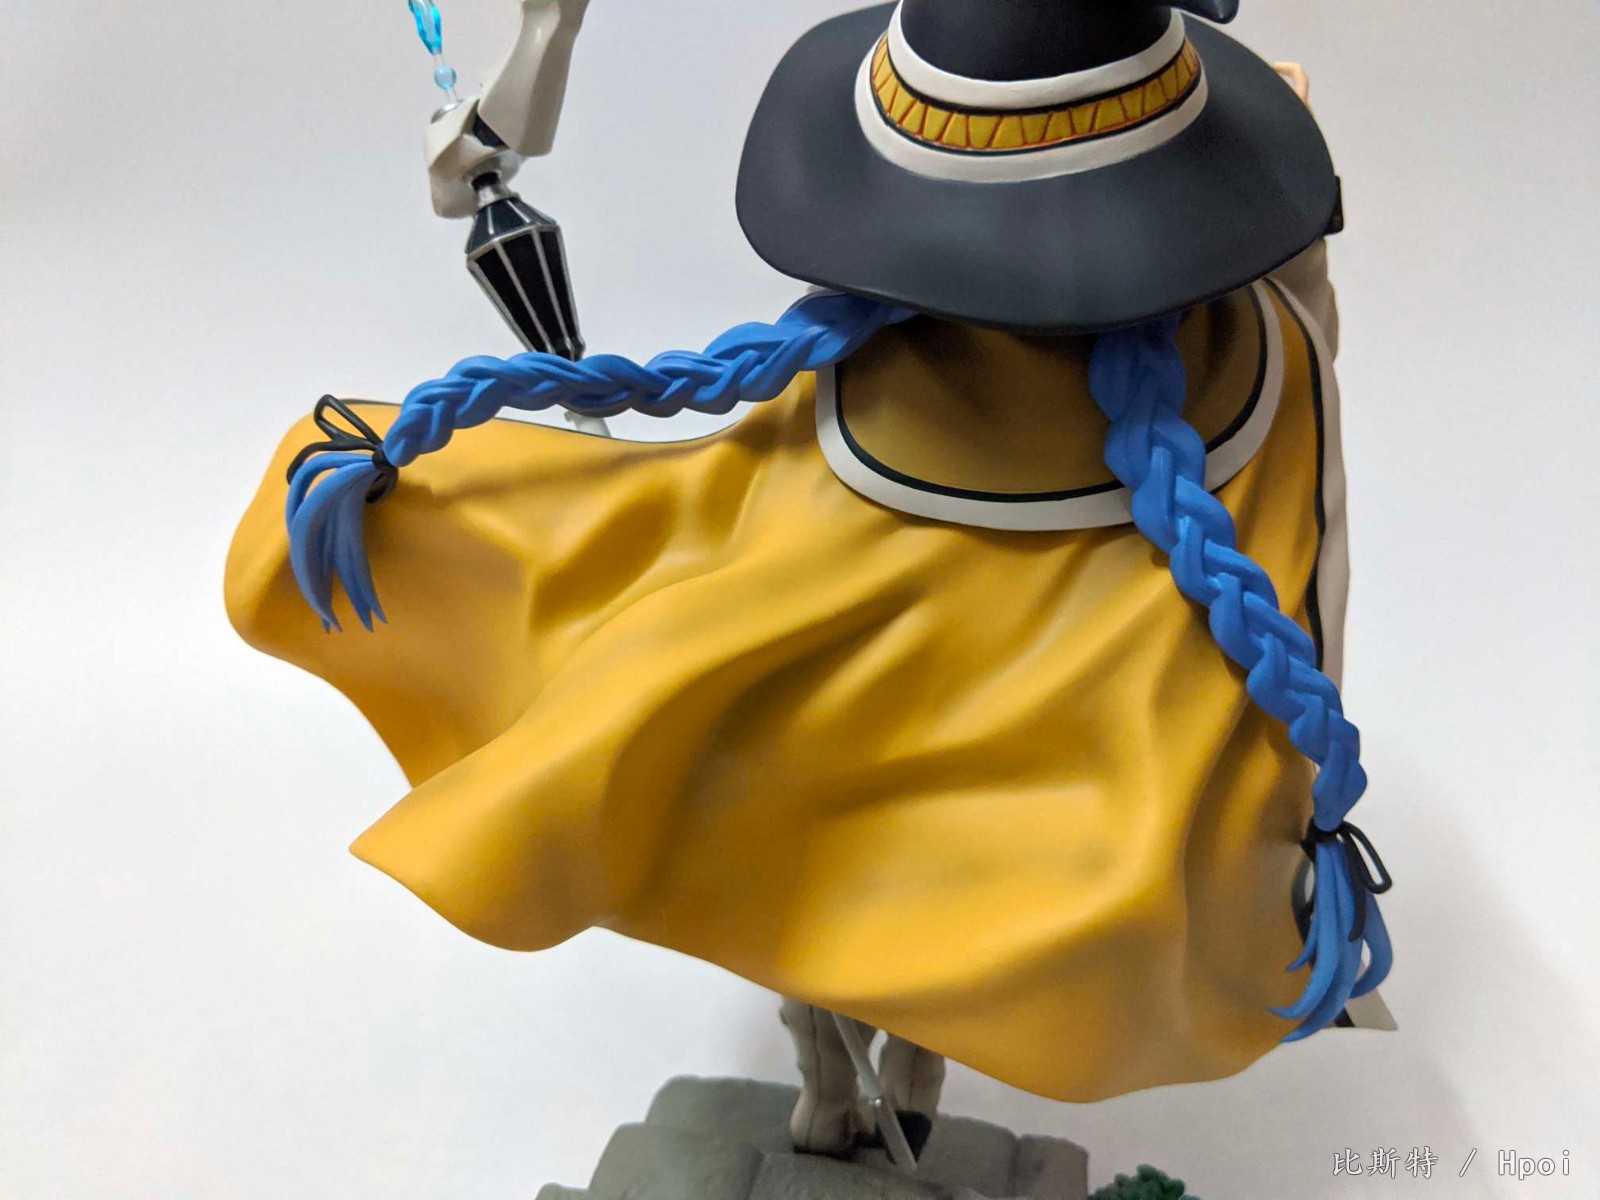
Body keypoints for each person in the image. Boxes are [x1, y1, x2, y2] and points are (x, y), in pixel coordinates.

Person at [226, 0, 1393, 1165]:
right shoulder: (1267, 376)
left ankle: (863, 1062)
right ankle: (871, 1066)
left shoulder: (1213, 393)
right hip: (1029, 777)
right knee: (836, 839)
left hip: (935, 716)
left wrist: (511, 97)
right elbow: (1310, 607)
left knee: (803, 822)